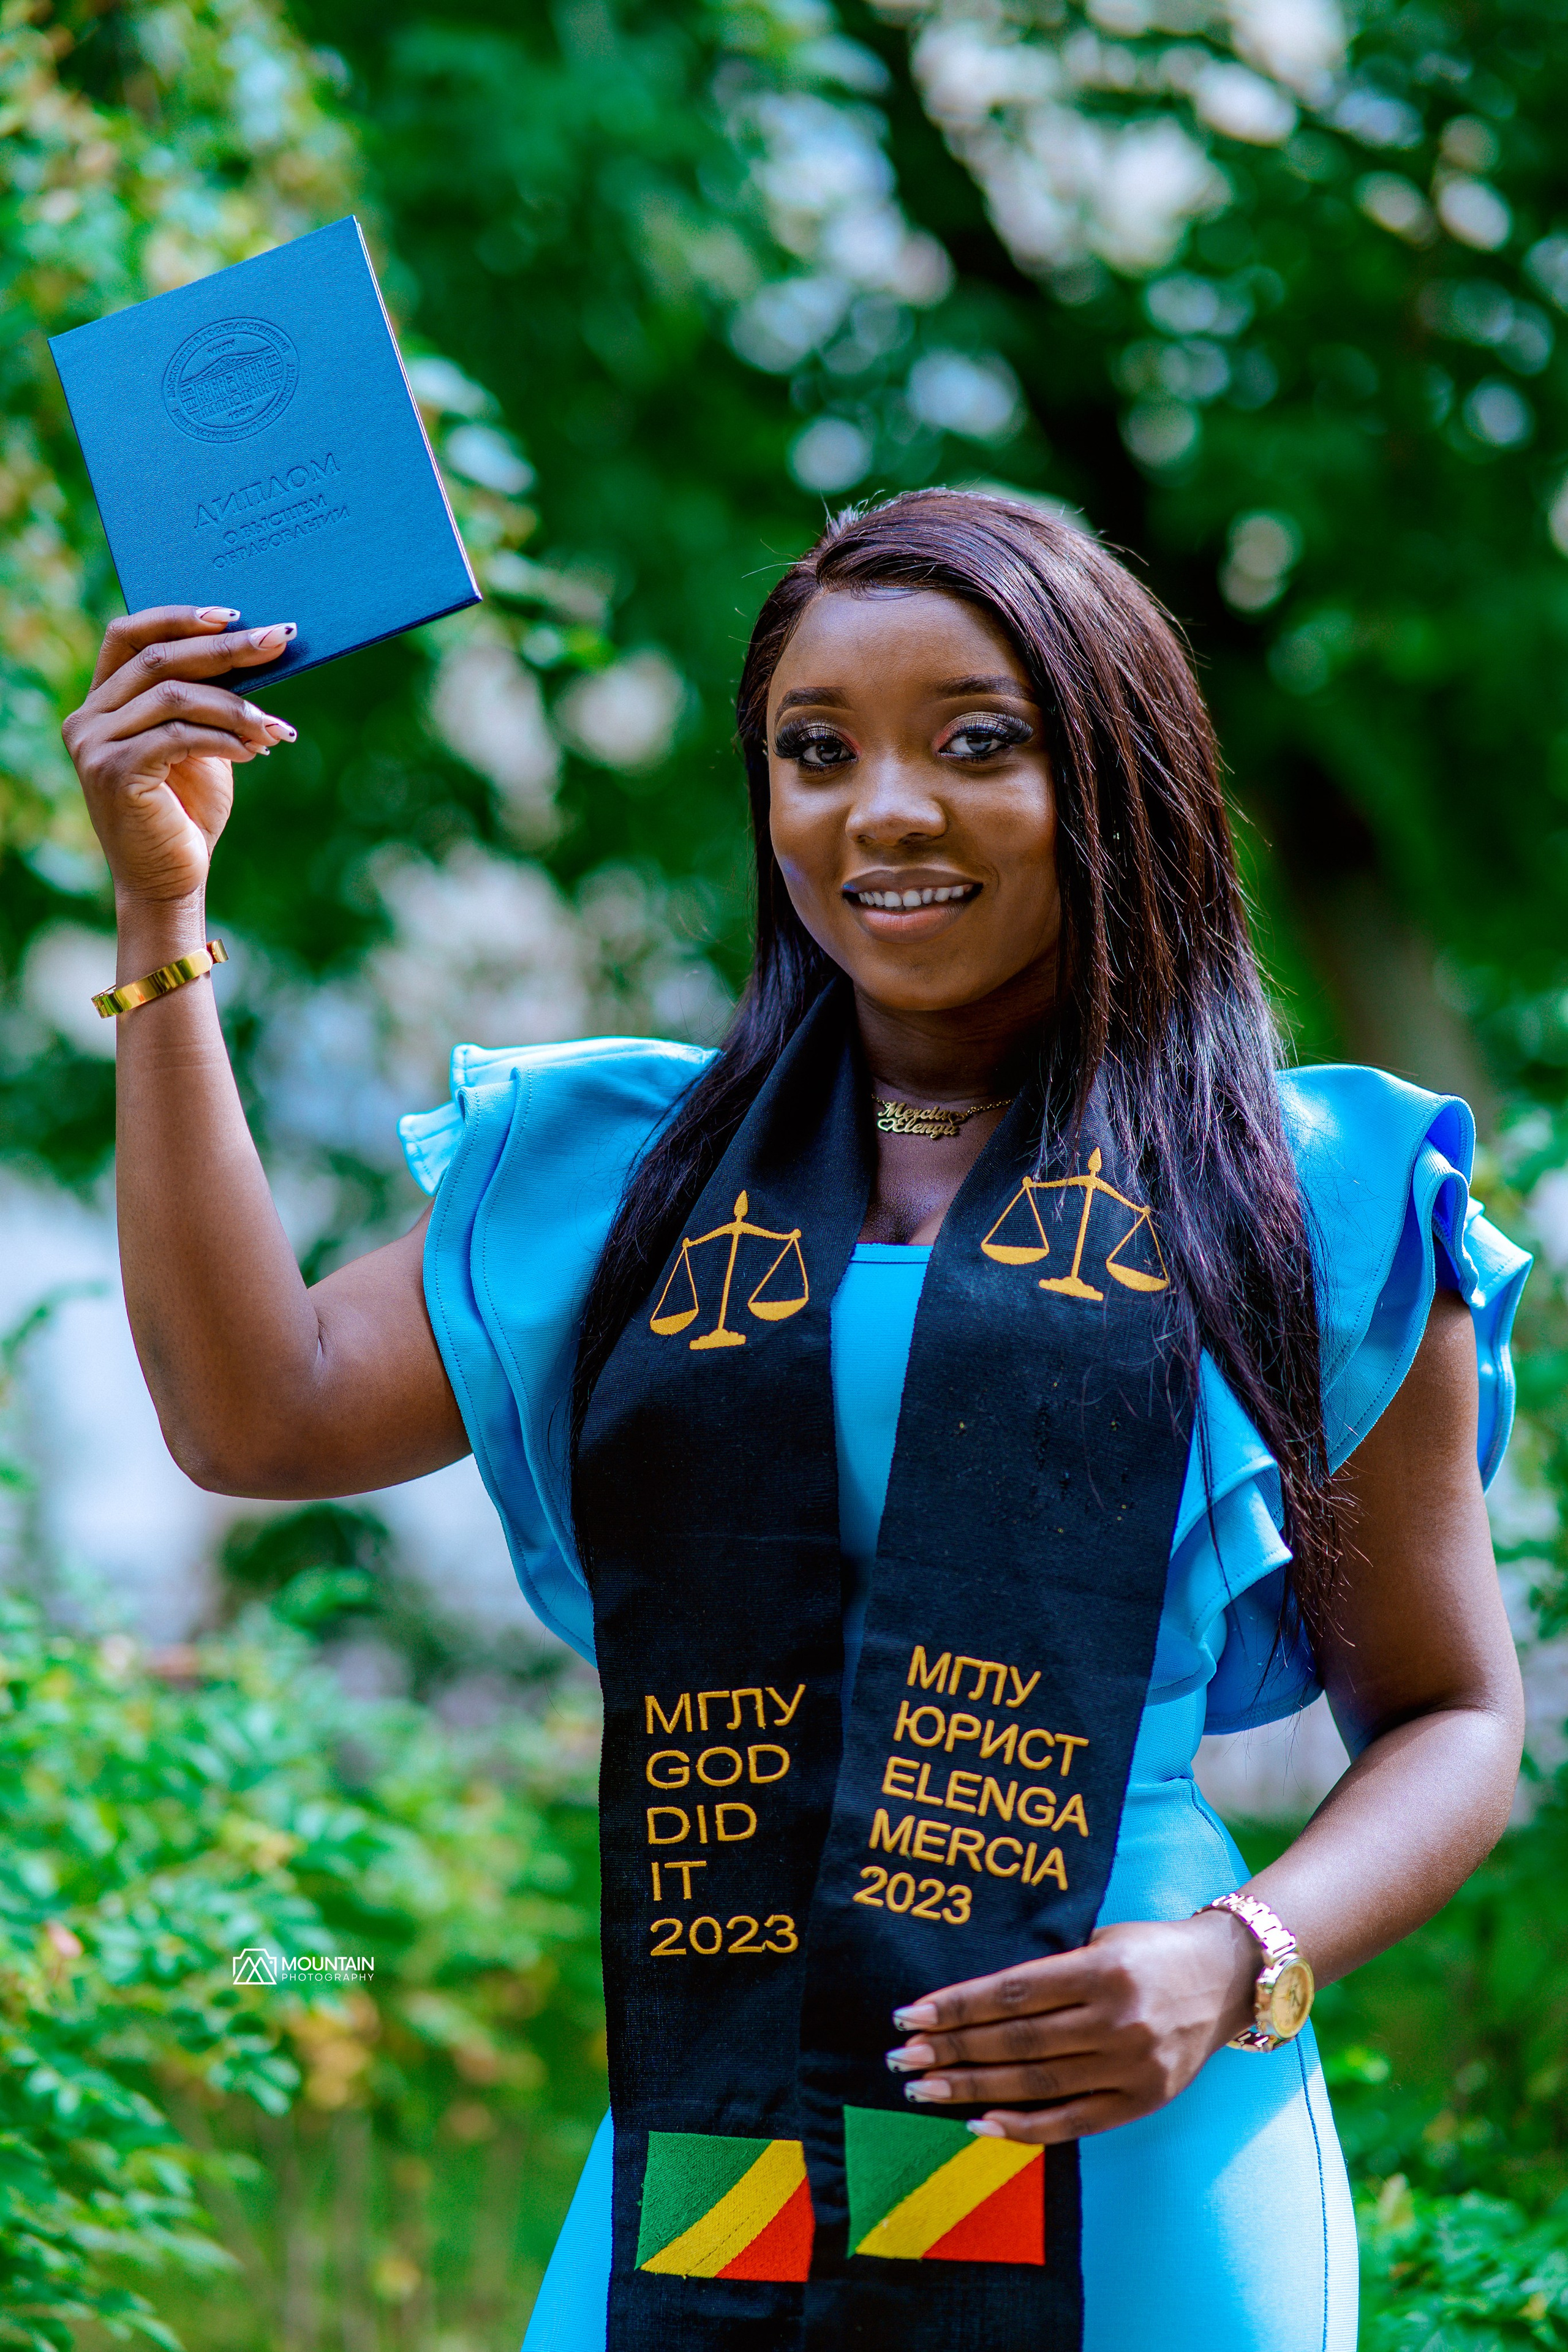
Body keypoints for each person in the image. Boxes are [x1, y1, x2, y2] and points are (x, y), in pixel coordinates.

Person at [64, 491, 1529, 2352]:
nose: (885, 809)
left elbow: (1455, 1718)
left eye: (977, 742)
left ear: (1119, 777)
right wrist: (163, 903)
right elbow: (259, 1417)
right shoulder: (635, 1175)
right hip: (719, 2102)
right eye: (815, 752)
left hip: (1123, 2093)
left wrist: (1233, 1967)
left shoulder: (1297, 1190)